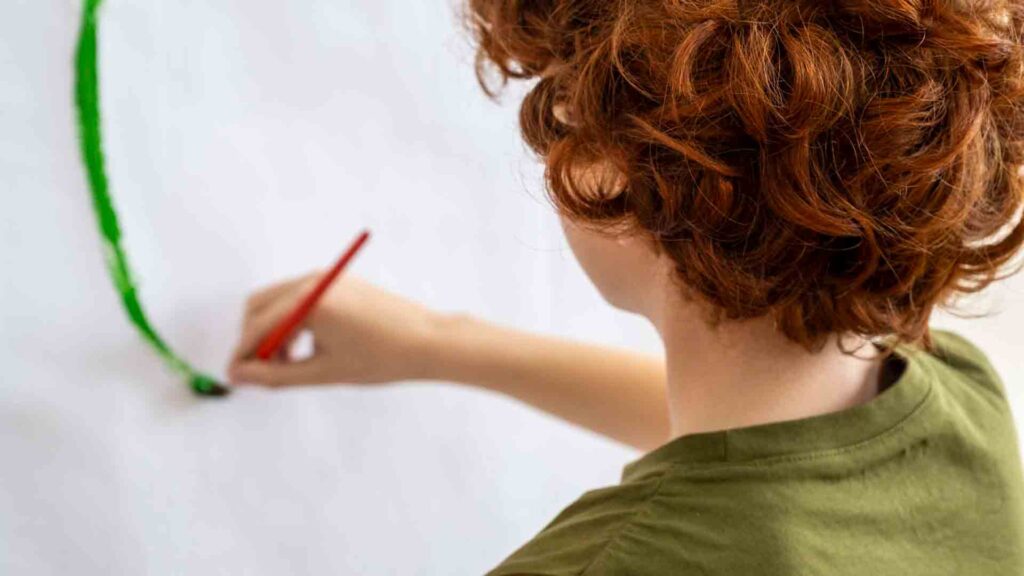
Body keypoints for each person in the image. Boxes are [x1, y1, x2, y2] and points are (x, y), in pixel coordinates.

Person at [227, 0, 1024, 573]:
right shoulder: (959, 402)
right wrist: (440, 344)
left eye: (566, 108)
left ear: (616, 170)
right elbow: (762, 459)